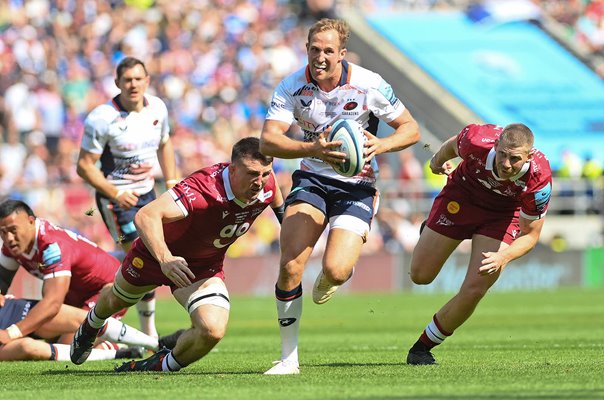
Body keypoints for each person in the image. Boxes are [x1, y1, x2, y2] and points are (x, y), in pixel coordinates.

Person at [259, 18, 421, 374]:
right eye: (314, 49)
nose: (320, 57)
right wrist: (311, 149)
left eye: (328, 51)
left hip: (358, 186)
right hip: (312, 180)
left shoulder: (369, 84)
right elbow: (268, 140)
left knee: (336, 268)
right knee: (290, 265)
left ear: (341, 53)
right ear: (306, 49)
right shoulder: (291, 86)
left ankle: (331, 278)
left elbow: (411, 129)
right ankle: (288, 358)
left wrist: (381, 144)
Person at [70, 137, 284, 372]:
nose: (260, 182)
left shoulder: (268, 184)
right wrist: (165, 259)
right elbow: (145, 216)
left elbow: (277, 200)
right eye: (253, 174)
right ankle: (91, 325)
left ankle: (159, 365)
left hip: (203, 268)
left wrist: (289, 229)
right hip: (156, 256)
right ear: (232, 169)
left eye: (265, 173)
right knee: (116, 300)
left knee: (212, 330)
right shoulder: (203, 189)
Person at [406, 123, 552, 365]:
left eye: (514, 159)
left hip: (503, 216)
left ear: (529, 156)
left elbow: (531, 235)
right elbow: (452, 145)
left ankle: (422, 348)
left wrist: (503, 257)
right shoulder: (477, 139)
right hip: (461, 197)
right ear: (496, 146)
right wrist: (435, 162)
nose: (506, 164)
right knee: (420, 276)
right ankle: (431, 230)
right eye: (502, 154)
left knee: (475, 288)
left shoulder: (539, 179)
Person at [76, 56, 178, 337]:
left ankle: (145, 334)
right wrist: (116, 192)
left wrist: (171, 181)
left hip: (149, 193)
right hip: (116, 200)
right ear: (117, 83)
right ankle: (138, 331)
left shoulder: (157, 107)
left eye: (138, 78)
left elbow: (165, 142)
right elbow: (84, 166)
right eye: (127, 80)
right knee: (143, 257)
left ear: (147, 80)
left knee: (150, 257)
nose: (133, 84)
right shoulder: (102, 118)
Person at [0, 199, 159, 349]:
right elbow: (3, 282)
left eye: (13, 230)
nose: (9, 238)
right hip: (75, 294)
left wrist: (11, 333)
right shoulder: (13, 246)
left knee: (68, 348)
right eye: (2, 232)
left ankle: (114, 348)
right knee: (45, 332)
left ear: (30, 221)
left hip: (104, 290)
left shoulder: (52, 246)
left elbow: (52, 303)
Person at [0, 294, 181, 361]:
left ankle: (156, 344)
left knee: (83, 320)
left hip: (11, 310)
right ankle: (118, 353)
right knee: (28, 348)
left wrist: (12, 331)